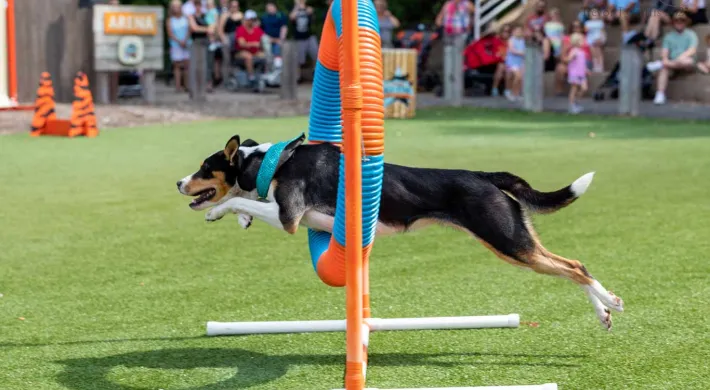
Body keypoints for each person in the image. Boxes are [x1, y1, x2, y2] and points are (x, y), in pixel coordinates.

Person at [646, 12, 698, 104]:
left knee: (686, 61)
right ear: (673, 23)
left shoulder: (691, 34)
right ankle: (660, 94)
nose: (679, 23)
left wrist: (678, 58)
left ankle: (661, 64)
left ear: (685, 23)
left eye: (682, 21)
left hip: (687, 62)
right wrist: (666, 59)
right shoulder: (668, 36)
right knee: (664, 69)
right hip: (672, 63)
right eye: (677, 21)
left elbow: (692, 50)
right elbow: (665, 53)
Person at [187, 0, 213, 100]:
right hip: (195, 42)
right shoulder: (191, 16)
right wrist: (206, 29)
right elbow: (194, 28)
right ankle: (193, 91)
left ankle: (202, 92)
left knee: (203, 68)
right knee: (194, 68)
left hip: (204, 43)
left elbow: (212, 26)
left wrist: (208, 29)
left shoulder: (205, 16)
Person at [236, 9, 265, 84]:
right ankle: (251, 77)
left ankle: (264, 76)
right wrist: (254, 44)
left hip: (255, 52)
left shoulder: (257, 30)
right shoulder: (241, 29)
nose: (252, 21)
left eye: (253, 19)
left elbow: (264, 39)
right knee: (248, 56)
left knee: (265, 56)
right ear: (246, 19)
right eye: (251, 19)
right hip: (241, 52)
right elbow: (242, 43)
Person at [290, 0, 319, 77]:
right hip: (299, 38)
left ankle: (315, 71)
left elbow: (312, 14)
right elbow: (292, 17)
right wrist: (297, 6)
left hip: (309, 36)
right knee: (300, 60)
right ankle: (298, 76)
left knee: (316, 53)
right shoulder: (293, 9)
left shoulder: (309, 9)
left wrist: (304, 7)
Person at [167, 0, 191, 93]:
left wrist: (185, 40)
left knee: (186, 65)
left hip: (186, 43)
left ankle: (187, 85)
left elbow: (189, 30)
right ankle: (178, 86)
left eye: (178, 6)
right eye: (174, 7)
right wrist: (179, 41)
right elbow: (170, 33)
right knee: (177, 66)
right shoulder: (170, 20)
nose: (176, 8)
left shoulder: (186, 18)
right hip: (176, 45)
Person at [566, 33, 589, 114]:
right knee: (574, 89)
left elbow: (582, 63)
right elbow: (568, 59)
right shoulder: (574, 51)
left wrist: (586, 69)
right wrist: (570, 58)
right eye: (581, 40)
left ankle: (575, 101)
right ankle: (571, 105)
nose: (583, 42)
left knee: (584, 88)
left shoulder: (581, 52)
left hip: (581, 74)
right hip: (575, 73)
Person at [505, 25, 525, 101]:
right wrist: (523, 53)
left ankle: (517, 93)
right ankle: (512, 93)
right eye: (517, 31)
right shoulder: (511, 40)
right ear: (513, 32)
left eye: (520, 31)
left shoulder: (523, 41)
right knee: (517, 76)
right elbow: (512, 50)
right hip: (512, 62)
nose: (519, 32)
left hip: (520, 62)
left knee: (520, 79)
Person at [492, 24, 512, 96]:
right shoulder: (496, 40)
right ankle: (494, 89)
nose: (506, 33)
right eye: (504, 31)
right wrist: (503, 57)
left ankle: (507, 90)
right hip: (499, 61)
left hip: (510, 62)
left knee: (507, 69)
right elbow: (496, 54)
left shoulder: (511, 41)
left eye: (508, 31)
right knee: (501, 67)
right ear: (501, 32)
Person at [585, 8, 606, 72]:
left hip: (598, 38)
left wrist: (602, 38)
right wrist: (587, 29)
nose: (594, 15)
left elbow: (603, 31)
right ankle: (595, 66)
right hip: (590, 38)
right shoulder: (587, 23)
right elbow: (586, 30)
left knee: (599, 52)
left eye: (596, 13)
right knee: (593, 53)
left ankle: (600, 66)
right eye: (592, 14)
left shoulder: (600, 22)